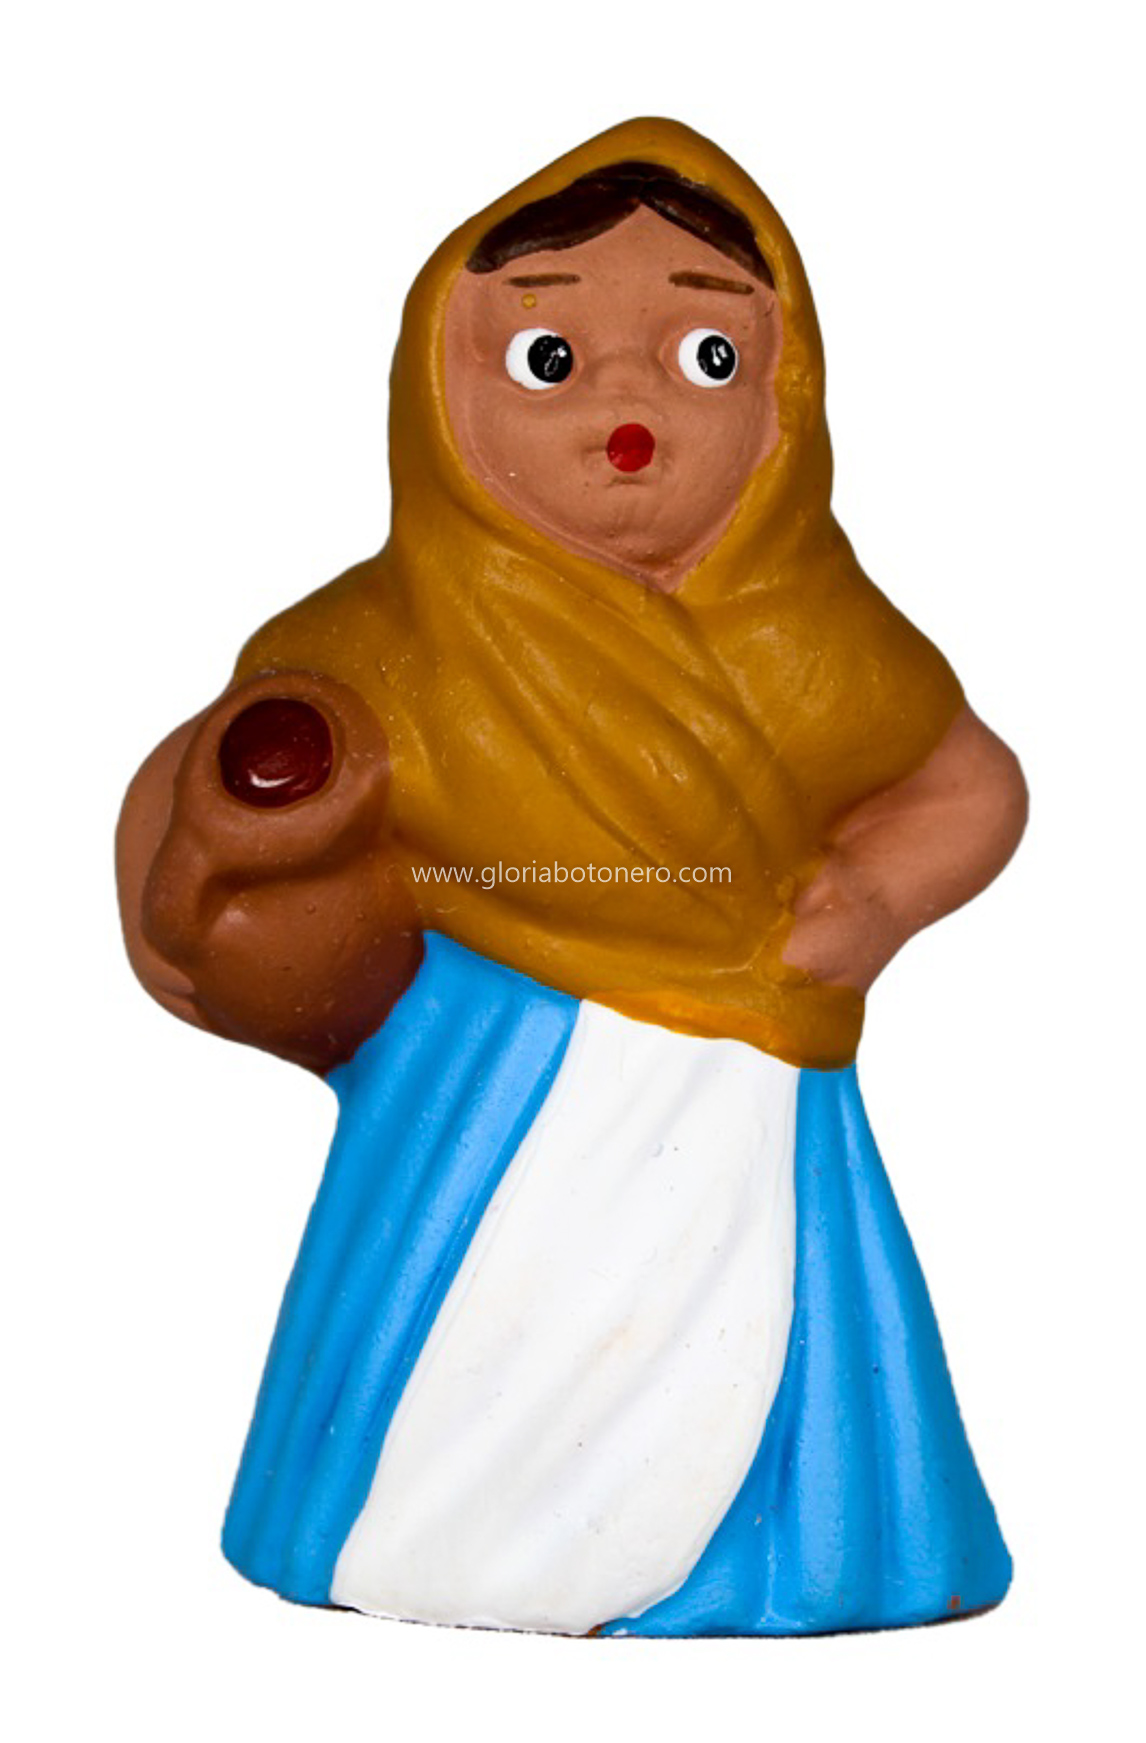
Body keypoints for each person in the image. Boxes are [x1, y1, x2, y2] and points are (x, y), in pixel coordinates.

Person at [117, 119, 1027, 1635]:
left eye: (705, 359)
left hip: (751, 1075)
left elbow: (972, 787)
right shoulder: (384, 641)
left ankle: (788, 1552)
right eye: (548, 358)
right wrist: (237, 848)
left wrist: (873, 899)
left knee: (766, 1329)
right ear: (441, 391)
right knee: (458, 1325)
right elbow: (206, 808)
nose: (627, 407)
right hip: (471, 1080)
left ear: (786, 395)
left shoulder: (825, 642)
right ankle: (413, 1533)